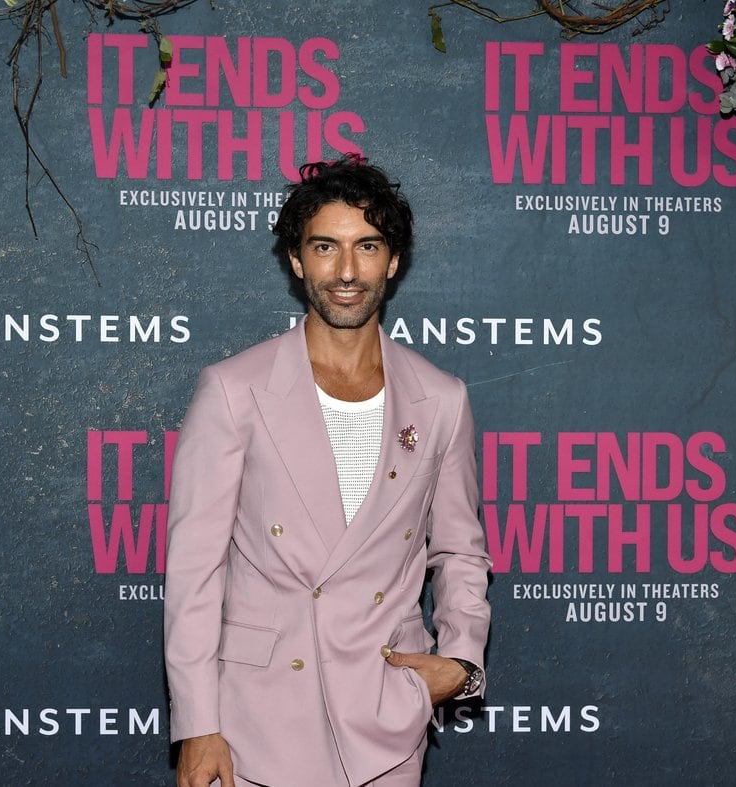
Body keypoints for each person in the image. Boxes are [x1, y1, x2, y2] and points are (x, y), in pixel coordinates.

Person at [163, 156, 492, 787]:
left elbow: (460, 550)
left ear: (393, 261)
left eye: (367, 246)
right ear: (296, 260)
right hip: (256, 721)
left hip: (385, 712)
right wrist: (199, 724)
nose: (346, 271)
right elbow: (194, 571)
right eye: (325, 247)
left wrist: (461, 661)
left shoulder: (442, 398)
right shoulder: (233, 391)